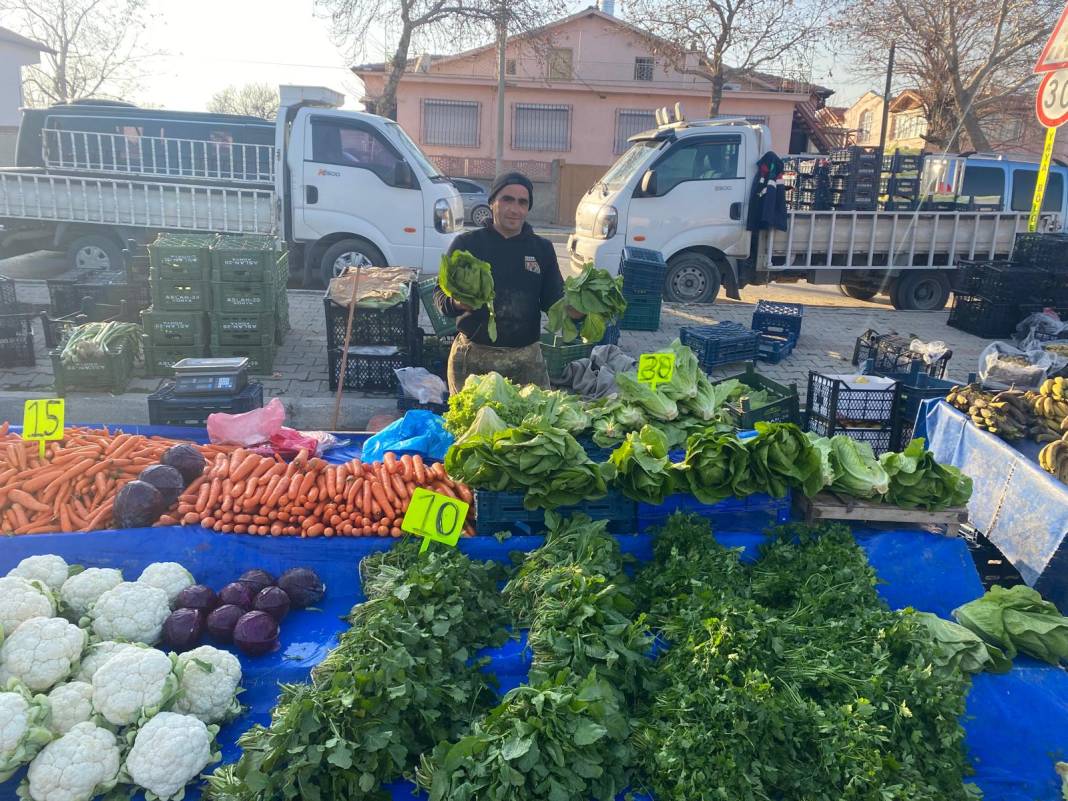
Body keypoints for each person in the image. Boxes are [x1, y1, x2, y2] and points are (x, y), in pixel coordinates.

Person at [435, 171, 579, 393]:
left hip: (527, 363)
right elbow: (440, 296)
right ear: (492, 202)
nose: (515, 208)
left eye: (523, 202)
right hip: (473, 361)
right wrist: (456, 303)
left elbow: (554, 299)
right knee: (473, 426)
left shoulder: (542, 249)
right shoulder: (467, 244)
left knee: (531, 426)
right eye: (507, 199)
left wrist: (578, 310)